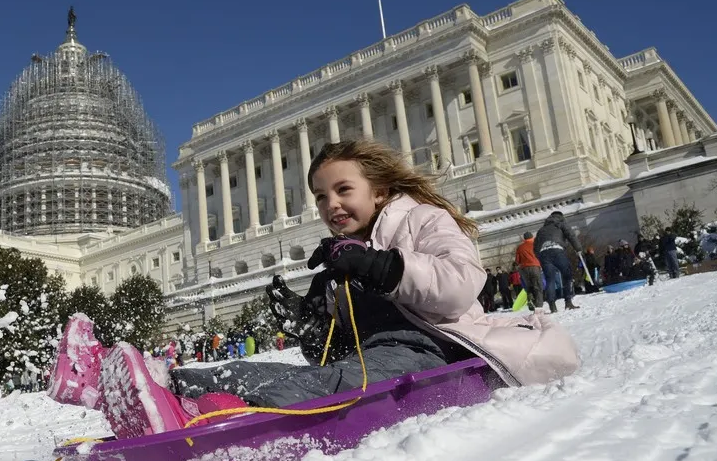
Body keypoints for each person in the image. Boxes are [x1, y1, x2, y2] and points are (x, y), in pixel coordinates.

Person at [48, 141, 579, 439]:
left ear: (381, 190)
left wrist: (378, 266)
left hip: (428, 352)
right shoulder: (338, 259)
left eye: (343, 190)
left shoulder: (421, 219)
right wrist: (308, 319)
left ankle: (195, 414)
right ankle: (143, 380)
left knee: (314, 390)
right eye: (322, 197)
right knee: (264, 370)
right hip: (370, 360)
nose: (331, 206)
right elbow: (328, 351)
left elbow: (463, 285)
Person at [533, 211, 583, 312]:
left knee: (549, 279)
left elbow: (535, 247)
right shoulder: (561, 224)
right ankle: (568, 302)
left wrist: (540, 257)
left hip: (544, 253)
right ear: (561, 217)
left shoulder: (541, 230)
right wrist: (578, 248)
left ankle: (552, 305)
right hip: (557, 250)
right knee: (567, 275)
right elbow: (571, 235)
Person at [514, 232, 544, 310]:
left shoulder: (520, 247)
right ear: (532, 237)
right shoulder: (536, 245)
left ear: (524, 238)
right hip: (535, 267)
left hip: (524, 269)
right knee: (538, 286)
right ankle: (539, 306)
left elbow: (517, 261)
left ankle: (531, 302)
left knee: (529, 287)